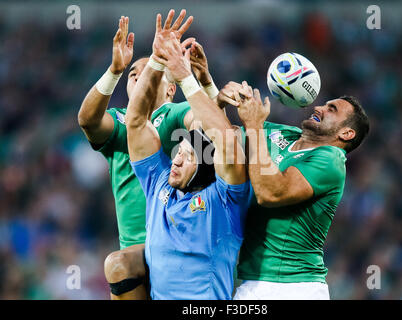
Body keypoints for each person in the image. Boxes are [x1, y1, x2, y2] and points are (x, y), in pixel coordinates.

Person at [77, 11, 219, 299]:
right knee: (117, 264)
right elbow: (88, 120)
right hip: (138, 254)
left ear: (170, 89)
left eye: (149, 71)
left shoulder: (175, 113)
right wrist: (115, 70)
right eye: (133, 74)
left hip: (181, 244)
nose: (139, 76)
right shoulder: (120, 124)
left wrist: (202, 85)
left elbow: (209, 129)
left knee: (117, 264)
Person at [126, 25, 251, 299]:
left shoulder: (225, 201)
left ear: (208, 165)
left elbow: (226, 140)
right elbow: (135, 122)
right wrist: (157, 59)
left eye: (189, 156)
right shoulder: (158, 184)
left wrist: (185, 77)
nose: (177, 160)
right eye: (178, 152)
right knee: (117, 266)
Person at [218, 81, 369, 299]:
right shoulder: (285, 135)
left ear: (346, 133)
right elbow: (221, 140)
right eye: (325, 105)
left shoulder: (330, 160)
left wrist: (254, 126)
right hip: (256, 283)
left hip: (292, 287)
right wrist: (210, 90)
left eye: (331, 109)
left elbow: (271, 192)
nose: (319, 108)